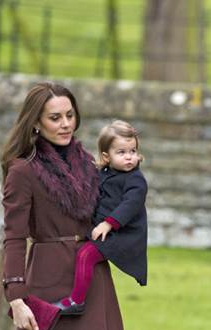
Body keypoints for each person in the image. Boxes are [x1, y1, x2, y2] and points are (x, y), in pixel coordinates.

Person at [0, 81, 135, 330]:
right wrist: (15, 296)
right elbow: (13, 237)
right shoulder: (22, 171)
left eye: (70, 115)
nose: (65, 124)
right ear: (36, 123)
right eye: (55, 117)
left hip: (93, 280)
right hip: (45, 284)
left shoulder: (91, 166)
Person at [54, 120, 148, 315]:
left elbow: (130, 205)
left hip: (122, 236)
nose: (129, 157)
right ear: (106, 156)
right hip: (103, 229)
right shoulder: (103, 173)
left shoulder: (136, 180)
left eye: (132, 151)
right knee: (77, 251)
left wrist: (108, 224)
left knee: (86, 255)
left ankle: (76, 301)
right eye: (121, 152)